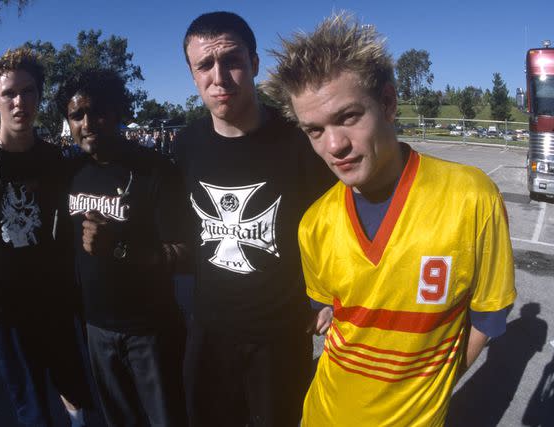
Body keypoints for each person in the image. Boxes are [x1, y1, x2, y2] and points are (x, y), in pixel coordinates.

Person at [262, 13, 517, 426]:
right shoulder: (314, 222)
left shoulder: (470, 196)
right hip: (320, 414)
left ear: (388, 103)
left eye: (348, 116)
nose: (334, 145)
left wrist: (427, 394)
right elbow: (330, 311)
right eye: (314, 130)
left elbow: (487, 319)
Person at [176, 11, 334, 427]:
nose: (219, 77)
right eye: (205, 65)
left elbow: (340, 226)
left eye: (231, 60)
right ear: (192, 75)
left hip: (281, 336)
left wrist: (335, 295)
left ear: (255, 64)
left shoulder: (298, 141)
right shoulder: (185, 145)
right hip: (209, 332)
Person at [0, 47, 92, 427]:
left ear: (39, 98)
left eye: (28, 91)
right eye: (10, 93)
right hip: (6, 312)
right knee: (30, 406)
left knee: (75, 388)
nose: (19, 101)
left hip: (57, 303)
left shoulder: (54, 161)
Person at [56, 68, 189, 427]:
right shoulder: (68, 172)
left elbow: (186, 255)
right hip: (96, 329)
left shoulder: (155, 169)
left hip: (152, 331)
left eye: (97, 111)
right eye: (76, 115)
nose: (88, 123)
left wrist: (122, 248)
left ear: (116, 112)